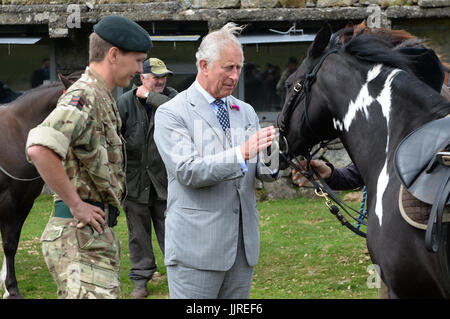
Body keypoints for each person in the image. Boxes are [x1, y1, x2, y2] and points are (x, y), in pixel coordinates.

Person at [25, 15, 152, 299]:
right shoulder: (84, 96)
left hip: (92, 236)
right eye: (137, 60)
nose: (140, 69)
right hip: (79, 234)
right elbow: (40, 147)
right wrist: (77, 205)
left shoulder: (102, 96)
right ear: (114, 55)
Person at [153, 22, 279, 299]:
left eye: (239, 68)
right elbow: (187, 172)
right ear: (204, 65)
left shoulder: (245, 111)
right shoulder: (171, 113)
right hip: (195, 251)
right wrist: (241, 153)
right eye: (228, 67)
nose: (235, 76)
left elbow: (265, 172)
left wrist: (275, 151)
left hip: (242, 250)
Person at [117, 57, 178, 298]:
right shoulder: (124, 102)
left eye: (164, 76)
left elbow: (178, 114)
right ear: (141, 78)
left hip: (166, 182)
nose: (162, 80)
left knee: (171, 233)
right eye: (156, 77)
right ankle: (141, 280)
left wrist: (150, 97)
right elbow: (114, 139)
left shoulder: (174, 98)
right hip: (134, 183)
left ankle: (178, 275)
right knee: (138, 235)